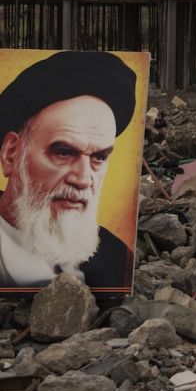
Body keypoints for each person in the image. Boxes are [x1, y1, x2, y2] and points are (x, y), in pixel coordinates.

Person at [0, 51, 137, 289]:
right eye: (63, 153)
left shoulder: (115, 256)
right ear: (12, 154)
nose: (83, 179)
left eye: (99, 157)